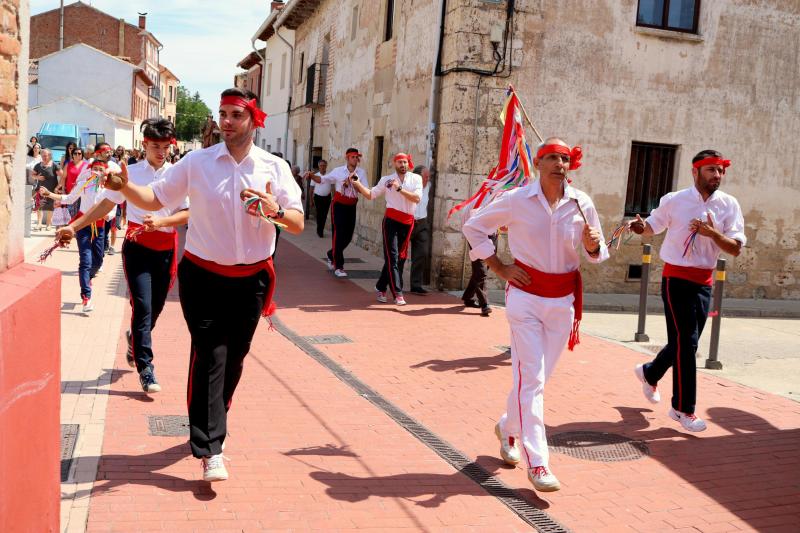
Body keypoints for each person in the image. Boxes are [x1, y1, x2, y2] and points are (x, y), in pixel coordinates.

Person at [102, 88, 304, 482]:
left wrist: (272, 210)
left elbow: (295, 222)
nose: (226, 122)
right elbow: (154, 196)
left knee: (236, 356)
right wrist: (124, 187)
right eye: (222, 114)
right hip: (203, 275)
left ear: (253, 120)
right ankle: (210, 447)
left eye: (235, 115)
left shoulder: (273, 168)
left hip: (254, 278)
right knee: (211, 354)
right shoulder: (197, 163)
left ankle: (215, 418)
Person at [463, 137, 608, 492]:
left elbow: (597, 252)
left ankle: (507, 426)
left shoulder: (581, 202)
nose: (561, 164)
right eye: (553, 158)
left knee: (536, 380)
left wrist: (592, 245)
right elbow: (473, 226)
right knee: (533, 381)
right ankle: (538, 462)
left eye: (565, 159)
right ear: (539, 163)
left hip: (563, 301)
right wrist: (499, 267)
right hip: (525, 298)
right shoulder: (516, 200)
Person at [57, 119, 190, 394]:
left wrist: (165, 222)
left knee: (155, 308)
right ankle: (146, 368)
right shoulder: (129, 173)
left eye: (166, 146)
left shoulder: (177, 174)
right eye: (156, 146)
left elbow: (189, 211)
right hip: (137, 246)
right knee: (141, 307)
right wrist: (73, 225)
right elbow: (105, 204)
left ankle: (135, 339)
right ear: (145, 144)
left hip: (166, 247)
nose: (161, 151)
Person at [629, 149, 745, 433]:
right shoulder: (674, 200)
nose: (717, 175)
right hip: (676, 279)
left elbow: (735, 249)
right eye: (711, 170)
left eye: (720, 170)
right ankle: (682, 409)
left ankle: (650, 372)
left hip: (705, 281)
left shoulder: (729, 205)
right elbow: (651, 228)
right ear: (696, 172)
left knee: (685, 342)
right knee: (688, 343)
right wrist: (639, 226)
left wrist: (712, 234)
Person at [42, 147, 121, 312]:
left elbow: (113, 207)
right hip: (82, 225)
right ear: (90, 170)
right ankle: (86, 296)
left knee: (98, 260)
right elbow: (69, 198)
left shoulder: (109, 189)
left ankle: (89, 277)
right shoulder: (85, 184)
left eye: (101, 170)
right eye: (95, 169)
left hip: (99, 227)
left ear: (105, 172)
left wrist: (110, 215)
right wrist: (49, 194)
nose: (97, 172)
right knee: (85, 260)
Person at [351, 153, 422, 306]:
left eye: (404, 162)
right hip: (391, 221)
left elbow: (416, 198)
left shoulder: (416, 179)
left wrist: (400, 189)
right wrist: (357, 184)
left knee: (399, 258)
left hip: (407, 222)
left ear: (408, 163)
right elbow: (371, 195)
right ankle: (398, 293)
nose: (402, 165)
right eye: (399, 162)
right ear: (394, 164)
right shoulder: (386, 180)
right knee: (392, 257)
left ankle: (381, 286)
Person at [309, 148, 368, 277]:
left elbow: (365, 190)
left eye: (357, 157)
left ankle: (331, 254)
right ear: (347, 158)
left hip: (352, 205)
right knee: (339, 233)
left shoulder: (361, 172)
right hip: (339, 205)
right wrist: (312, 176)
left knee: (348, 236)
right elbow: (323, 180)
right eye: (353, 157)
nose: (356, 159)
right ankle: (338, 266)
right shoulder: (338, 171)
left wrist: (356, 183)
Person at [409, 165, 431, 295]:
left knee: (422, 253)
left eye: (428, 177)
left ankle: (416, 284)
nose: (427, 179)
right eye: (425, 177)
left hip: (422, 222)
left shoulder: (427, 187)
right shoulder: (410, 187)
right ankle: (396, 283)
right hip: (408, 221)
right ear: (417, 176)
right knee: (400, 254)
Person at [32, 149, 59, 230]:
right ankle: (39, 224)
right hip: (40, 190)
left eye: (46, 155)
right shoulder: (38, 165)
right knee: (39, 206)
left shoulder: (54, 165)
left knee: (50, 207)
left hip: (51, 190)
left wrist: (59, 186)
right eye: (42, 155)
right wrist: (37, 177)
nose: (44, 157)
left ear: (49, 156)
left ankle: (48, 224)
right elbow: (32, 175)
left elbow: (62, 175)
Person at [57, 146, 88, 218]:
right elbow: (64, 178)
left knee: (81, 213)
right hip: (70, 192)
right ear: (72, 155)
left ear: (82, 155)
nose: (77, 155)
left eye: (79, 153)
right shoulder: (68, 164)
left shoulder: (86, 165)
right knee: (71, 214)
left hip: (82, 193)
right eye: (75, 153)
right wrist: (63, 190)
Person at [306, 159, 331, 238]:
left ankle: (321, 229)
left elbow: (333, 187)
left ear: (326, 166)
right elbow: (311, 189)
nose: (322, 167)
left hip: (327, 198)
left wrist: (334, 198)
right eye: (321, 165)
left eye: (324, 165)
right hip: (318, 198)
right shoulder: (315, 176)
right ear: (318, 166)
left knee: (324, 214)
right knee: (319, 214)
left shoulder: (330, 176)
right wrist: (311, 200)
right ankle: (319, 230)